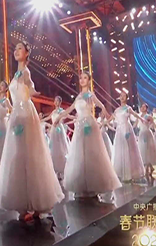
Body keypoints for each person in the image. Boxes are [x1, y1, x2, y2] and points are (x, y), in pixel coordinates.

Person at [0, 42, 63, 221]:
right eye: (15, 48)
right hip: (17, 112)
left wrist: (32, 91)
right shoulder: (17, 73)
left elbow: (30, 87)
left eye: (20, 49)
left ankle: (37, 203)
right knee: (17, 154)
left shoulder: (25, 72)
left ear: (26, 53)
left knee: (29, 154)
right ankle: (22, 204)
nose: (16, 51)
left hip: (24, 111)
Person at [55, 71, 121, 199]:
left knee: (91, 154)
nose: (82, 80)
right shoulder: (79, 96)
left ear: (89, 80)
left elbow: (101, 105)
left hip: (89, 125)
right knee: (80, 154)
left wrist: (105, 113)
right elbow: (70, 109)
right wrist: (59, 117)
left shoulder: (90, 95)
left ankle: (93, 186)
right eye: (81, 78)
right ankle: (82, 186)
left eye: (85, 78)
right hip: (80, 126)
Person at [109, 92, 145, 183]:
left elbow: (135, 115)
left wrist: (142, 119)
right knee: (119, 150)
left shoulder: (128, 108)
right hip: (119, 130)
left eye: (124, 96)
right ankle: (120, 173)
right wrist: (102, 124)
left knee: (128, 150)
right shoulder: (117, 110)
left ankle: (129, 174)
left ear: (126, 98)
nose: (122, 97)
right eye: (121, 96)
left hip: (126, 129)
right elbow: (111, 118)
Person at [41, 96, 74, 180]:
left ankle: (62, 168)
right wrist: (40, 120)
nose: (55, 102)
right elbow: (48, 118)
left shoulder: (61, 111)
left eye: (57, 101)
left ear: (60, 102)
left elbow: (69, 116)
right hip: (53, 130)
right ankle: (55, 168)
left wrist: (77, 117)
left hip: (59, 129)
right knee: (53, 148)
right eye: (55, 101)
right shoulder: (53, 111)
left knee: (61, 148)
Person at [137, 103, 156, 178]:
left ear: (146, 109)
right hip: (141, 133)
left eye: (144, 107)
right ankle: (149, 167)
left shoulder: (148, 116)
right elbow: (136, 125)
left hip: (147, 133)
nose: (142, 108)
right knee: (142, 150)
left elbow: (153, 124)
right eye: (142, 107)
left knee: (148, 150)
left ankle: (147, 168)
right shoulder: (139, 116)